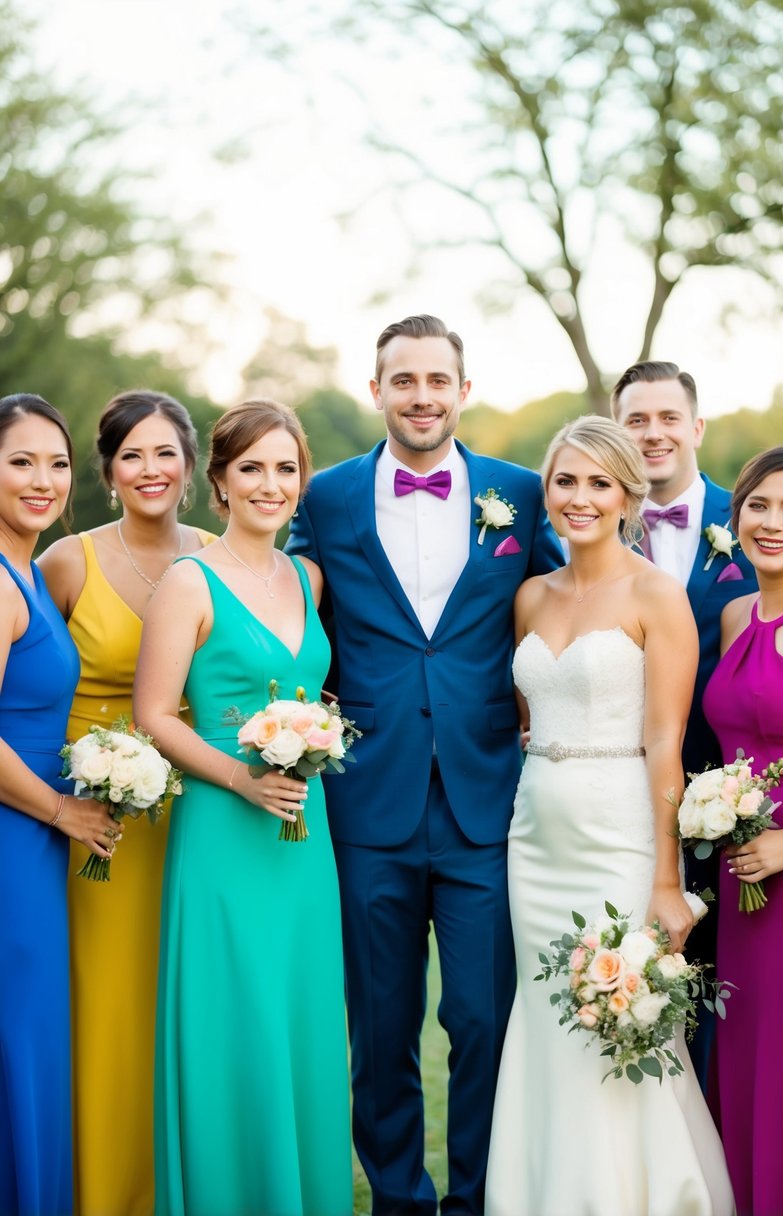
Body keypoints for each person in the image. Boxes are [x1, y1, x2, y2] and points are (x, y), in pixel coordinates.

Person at [286, 314, 563, 1215]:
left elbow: (567, 602)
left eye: (436, 380)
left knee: (483, 1022)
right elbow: (282, 616)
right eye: (402, 381)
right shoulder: (323, 498)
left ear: (462, 390)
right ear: (376, 392)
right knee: (380, 1026)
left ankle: (475, 1199)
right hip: (368, 801)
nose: (420, 397)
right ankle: (401, 1199)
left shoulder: (520, 496)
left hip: (487, 800)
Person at [486, 415, 734, 1216]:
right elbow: (530, 713)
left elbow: (665, 740)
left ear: (629, 494)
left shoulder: (655, 596)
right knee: (548, 1023)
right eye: (565, 481)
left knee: (621, 1016)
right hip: (534, 836)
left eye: (599, 483)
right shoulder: (530, 596)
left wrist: (667, 882)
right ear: (546, 492)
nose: (579, 498)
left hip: (621, 833)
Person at [134, 398, 352, 1216]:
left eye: (285, 469)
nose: (270, 484)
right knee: (235, 1021)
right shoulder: (188, 581)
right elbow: (153, 715)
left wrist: (309, 739)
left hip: (302, 836)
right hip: (225, 829)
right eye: (250, 468)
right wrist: (239, 778)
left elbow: (310, 689)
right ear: (219, 482)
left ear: (302, 484)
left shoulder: (308, 576)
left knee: (296, 1022)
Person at [38, 389, 215, 1216]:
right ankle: (107, 1192)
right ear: (108, 472)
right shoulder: (67, 562)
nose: (150, 469)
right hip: (93, 821)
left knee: (185, 1006)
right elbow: (28, 690)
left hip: (197, 818)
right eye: (131, 455)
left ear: (189, 465)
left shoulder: (221, 555)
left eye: (165, 452)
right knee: (107, 1006)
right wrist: (54, 799)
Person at [610, 361, 757, 1084]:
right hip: (616, 798)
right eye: (635, 419)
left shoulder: (757, 520)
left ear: (695, 428)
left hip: (738, 800)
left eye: (667, 417)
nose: (652, 433)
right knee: (632, 986)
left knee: (730, 994)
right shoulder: (580, 526)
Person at [0, 393, 117, 1216]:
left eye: (56, 462)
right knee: (16, 1041)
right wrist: (62, 810)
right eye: (20, 462)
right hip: (13, 843)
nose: (43, 479)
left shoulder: (32, 573)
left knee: (31, 1041)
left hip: (32, 848)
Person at [704, 445, 783, 1216]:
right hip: (740, 869)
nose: (771, 522)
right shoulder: (731, 616)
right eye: (757, 504)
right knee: (749, 1052)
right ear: (737, 514)